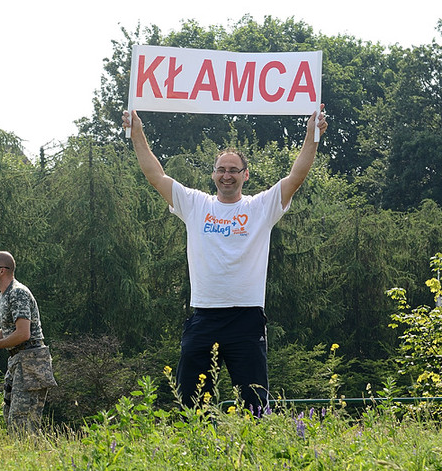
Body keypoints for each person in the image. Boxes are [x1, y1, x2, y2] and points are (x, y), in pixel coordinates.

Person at [122, 107, 328, 413]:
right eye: (221, 169)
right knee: (190, 402)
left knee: (255, 405)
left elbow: (296, 176)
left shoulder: (261, 207)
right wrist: (136, 132)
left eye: (233, 170)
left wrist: (313, 135)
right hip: (203, 316)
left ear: (245, 175)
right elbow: (156, 176)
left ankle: (253, 455)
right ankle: (199, 454)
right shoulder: (195, 204)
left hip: (246, 318)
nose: (226, 175)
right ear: (213, 174)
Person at [0, 251, 57, 433]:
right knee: (11, 418)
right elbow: (9, 328)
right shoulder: (4, 295)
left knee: (22, 424)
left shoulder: (18, 293)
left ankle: (38, 459)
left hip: (31, 362)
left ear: (2, 271)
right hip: (19, 361)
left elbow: (23, 333)